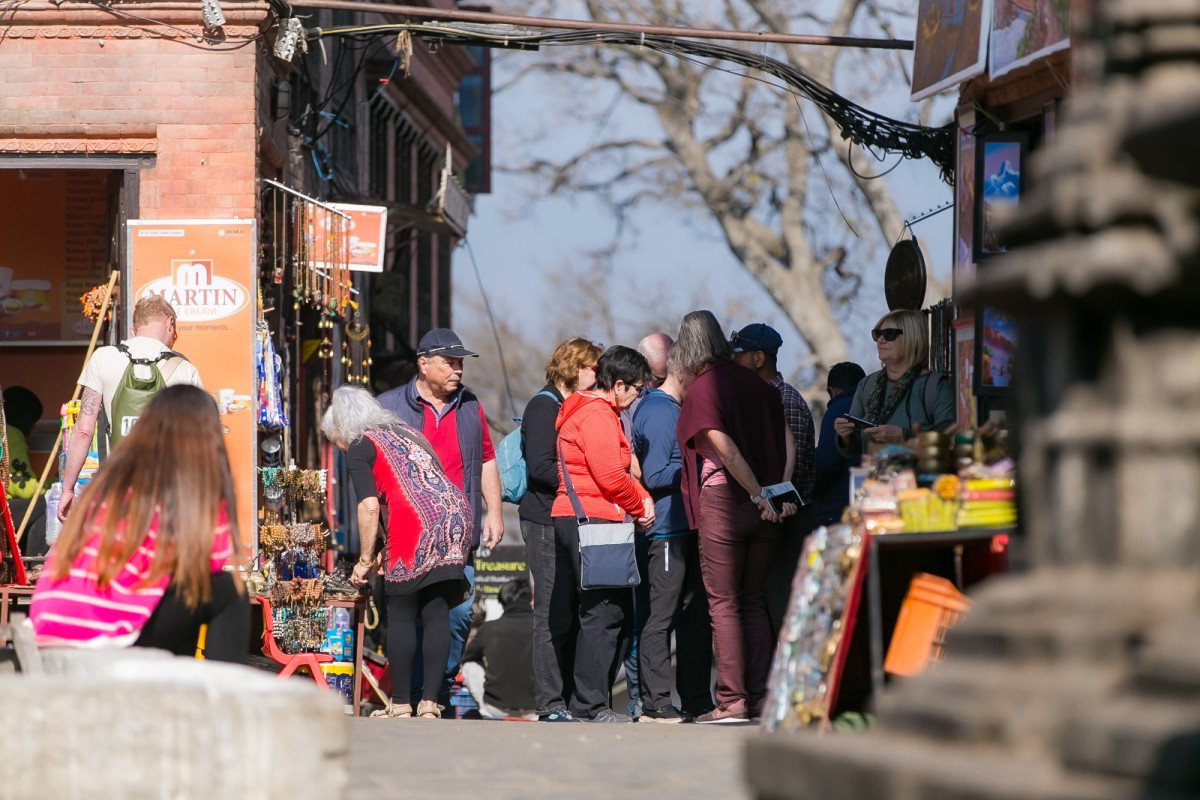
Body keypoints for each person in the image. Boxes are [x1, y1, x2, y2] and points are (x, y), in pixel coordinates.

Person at [29, 385, 247, 661]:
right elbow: (211, 561)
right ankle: (215, 686)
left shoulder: (111, 480)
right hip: (100, 635)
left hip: (48, 626)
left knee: (182, 588)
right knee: (228, 591)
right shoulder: (185, 487)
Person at [674, 310, 796, 724]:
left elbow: (721, 445)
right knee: (753, 600)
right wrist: (775, 492)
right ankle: (759, 697)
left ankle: (732, 700)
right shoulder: (759, 385)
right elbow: (788, 439)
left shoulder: (704, 387)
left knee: (724, 603)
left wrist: (757, 491)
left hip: (725, 502)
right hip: (765, 510)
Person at [323, 386, 472, 719]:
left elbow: (369, 505)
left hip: (416, 522)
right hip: (455, 516)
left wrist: (364, 560)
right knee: (436, 610)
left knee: (401, 612)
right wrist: (381, 549)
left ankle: (402, 703)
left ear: (343, 429)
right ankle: (430, 703)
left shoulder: (360, 445)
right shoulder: (405, 433)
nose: (340, 449)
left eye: (337, 442)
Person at [377, 327, 503, 714]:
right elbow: (372, 473)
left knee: (459, 613)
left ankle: (438, 686)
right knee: (411, 617)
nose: (457, 370)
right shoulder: (388, 407)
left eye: (460, 363)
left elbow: (486, 459)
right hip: (406, 533)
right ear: (424, 364)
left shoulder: (470, 405)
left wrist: (495, 511)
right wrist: (378, 536)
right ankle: (414, 694)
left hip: (457, 535)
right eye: (449, 363)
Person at [552, 345, 655, 723]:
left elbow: (615, 473)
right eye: (638, 389)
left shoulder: (583, 410)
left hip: (581, 519)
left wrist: (638, 497)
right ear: (619, 384)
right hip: (593, 521)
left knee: (612, 616)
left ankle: (589, 702)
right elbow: (611, 476)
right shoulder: (597, 414)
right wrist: (640, 506)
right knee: (604, 615)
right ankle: (589, 705)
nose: (638, 398)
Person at [519, 337, 604, 722]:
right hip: (543, 520)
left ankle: (568, 699)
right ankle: (550, 703)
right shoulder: (544, 406)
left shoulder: (574, 406)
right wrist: (583, 484)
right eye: (592, 368)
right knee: (551, 613)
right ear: (574, 367)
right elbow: (540, 466)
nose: (597, 375)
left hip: (567, 518)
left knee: (569, 610)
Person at [58, 295, 202, 521]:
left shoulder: (103, 358)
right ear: (170, 323)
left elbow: (84, 431)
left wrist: (67, 489)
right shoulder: (185, 369)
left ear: (134, 329)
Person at [629, 344, 713, 723]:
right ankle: (657, 703)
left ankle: (696, 700)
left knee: (694, 618)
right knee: (660, 617)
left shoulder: (674, 409)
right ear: (683, 370)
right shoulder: (660, 412)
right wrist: (702, 464)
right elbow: (655, 473)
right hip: (666, 532)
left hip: (686, 528)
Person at [730, 323, 818, 636]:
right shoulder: (755, 398)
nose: (734, 362)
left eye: (739, 355)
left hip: (788, 519)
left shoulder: (785, 400)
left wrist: (774, 502)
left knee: (783, 612)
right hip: (768, 515)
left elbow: (791, 465)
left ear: (758, 358)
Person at [621, 331, 672, 718]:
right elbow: (637, 469)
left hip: (644, 517)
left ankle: (642, 696)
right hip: (633, 520)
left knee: (647, 615)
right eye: (652, 379)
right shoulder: (635, 405)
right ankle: (641, 697)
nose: (652, 387)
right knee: (641, 617)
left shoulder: (644, 403)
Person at [833, 309, 955, 457]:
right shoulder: (866, 385)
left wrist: (904, 435)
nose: (880, 340)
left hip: (920, 471)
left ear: (911, 337)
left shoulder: (935, 386)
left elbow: (950, 438)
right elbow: (854, 449)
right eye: (877, 334)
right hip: (875, 470)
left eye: (889, 334)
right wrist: (845, 436)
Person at [461, 577, 538, 719]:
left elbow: (467, 658)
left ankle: (485, 712)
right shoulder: (542, 628)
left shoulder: (489, 628)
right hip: (536, 709)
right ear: (531, 601)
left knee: (469, 666)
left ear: (502, 602)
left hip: (496, 708)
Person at [814, 362, 867, 527]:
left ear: (832, 391)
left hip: (839, 506)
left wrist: (811, 491)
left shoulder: (837, 409)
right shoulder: (877, 405)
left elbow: (827, 462)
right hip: (872, 498)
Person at [3, 386, 43, 501]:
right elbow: (25, 489)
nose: (33, 427)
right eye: (32, 421)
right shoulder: (10, 433)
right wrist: (55, 482)